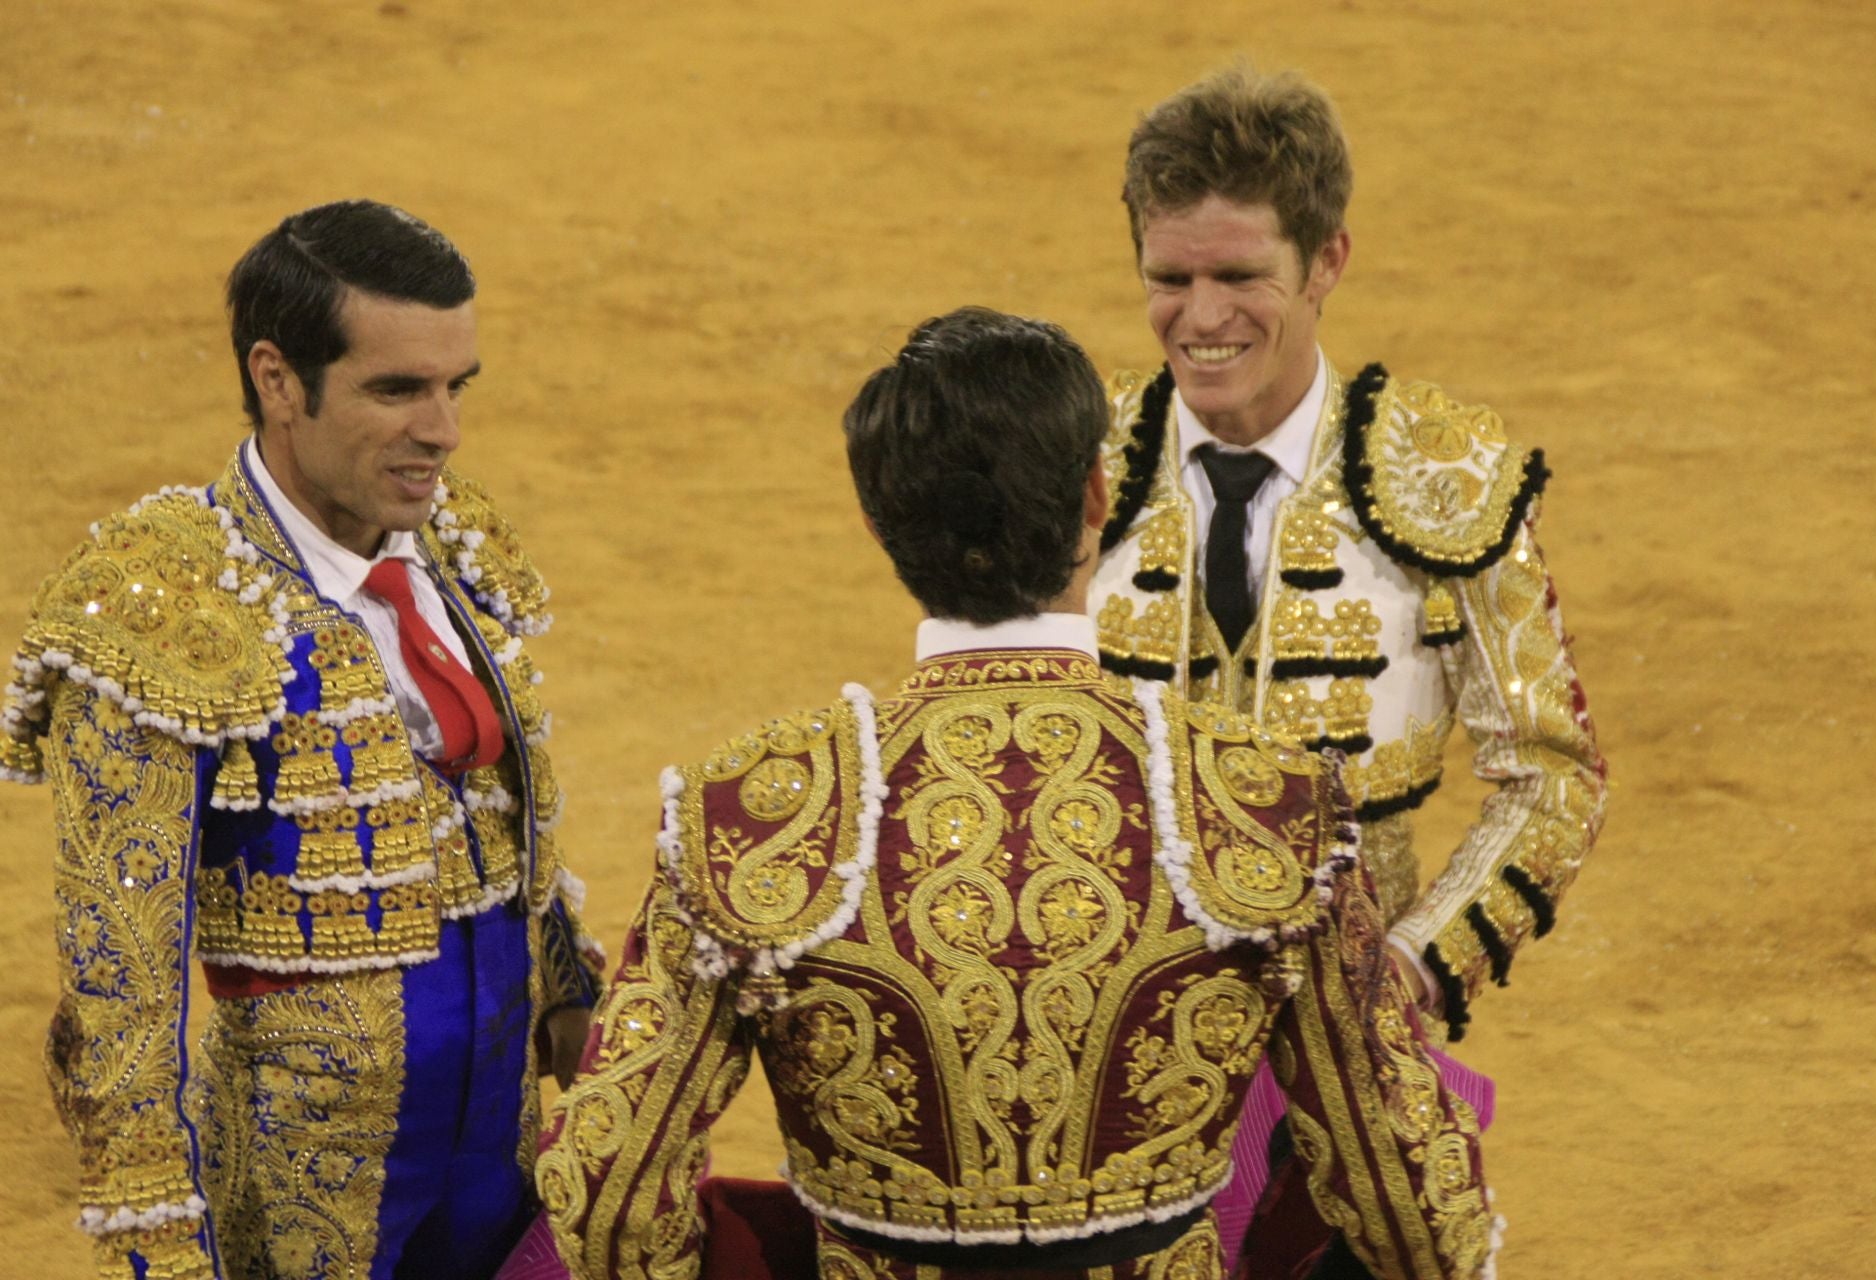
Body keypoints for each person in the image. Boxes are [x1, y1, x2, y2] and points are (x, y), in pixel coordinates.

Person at [536, 307, 1496, 1280]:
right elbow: (1411, 1190)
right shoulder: (1265, 802)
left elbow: (609, 1191)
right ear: (1096, 490)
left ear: (879, 521)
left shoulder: (753, 817)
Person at [0, 200, 604, 1280]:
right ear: (279, 379)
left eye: (453, 387)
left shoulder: (449, 540)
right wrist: (158, 1251)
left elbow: (513, 806)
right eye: (396, 390)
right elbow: (120, 993)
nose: (443, 432)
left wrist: (567, 986)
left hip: (498, 1145)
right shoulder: (160, 606)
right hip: (301, 1184)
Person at [1093, 67, 1609, 1271]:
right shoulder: (1077, 460)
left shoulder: (1443, 481)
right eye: (1169, 278)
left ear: (1327, 261)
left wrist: (1417, 966)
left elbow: (1551, 771)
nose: (1199, 317)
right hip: (1103, 1059)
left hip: (1346, 1072)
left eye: (1239, 278)